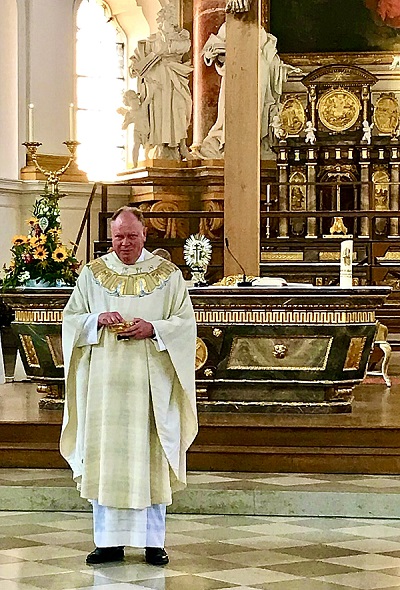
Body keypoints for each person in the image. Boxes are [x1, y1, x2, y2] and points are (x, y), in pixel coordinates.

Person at [60, 206, 198, 566]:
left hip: (149, 388)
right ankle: (108, 543)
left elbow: (185, 324)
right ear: (111, 236)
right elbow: (71, 319)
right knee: (107, 460)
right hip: (104, 388)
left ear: (145, 235)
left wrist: (154, 328)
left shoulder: (168, 275)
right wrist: (95, 319)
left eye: (131, 236)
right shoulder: (93, 274)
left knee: (149, 459)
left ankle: (153, 543)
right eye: (118, 236)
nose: (124, 243)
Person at [129, 3, 193, 160]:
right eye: (169, 17)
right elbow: (136, 62)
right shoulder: (150, 42)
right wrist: (135, 66)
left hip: (175, 78)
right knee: (160, 113)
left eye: (173, 17)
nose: (172, 20)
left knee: (180, 108)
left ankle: (182, 146)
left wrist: (164, 50)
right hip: (157, 83)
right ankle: (162, 147)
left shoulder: (182, 38)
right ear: (161, 20)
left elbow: (181, 48)